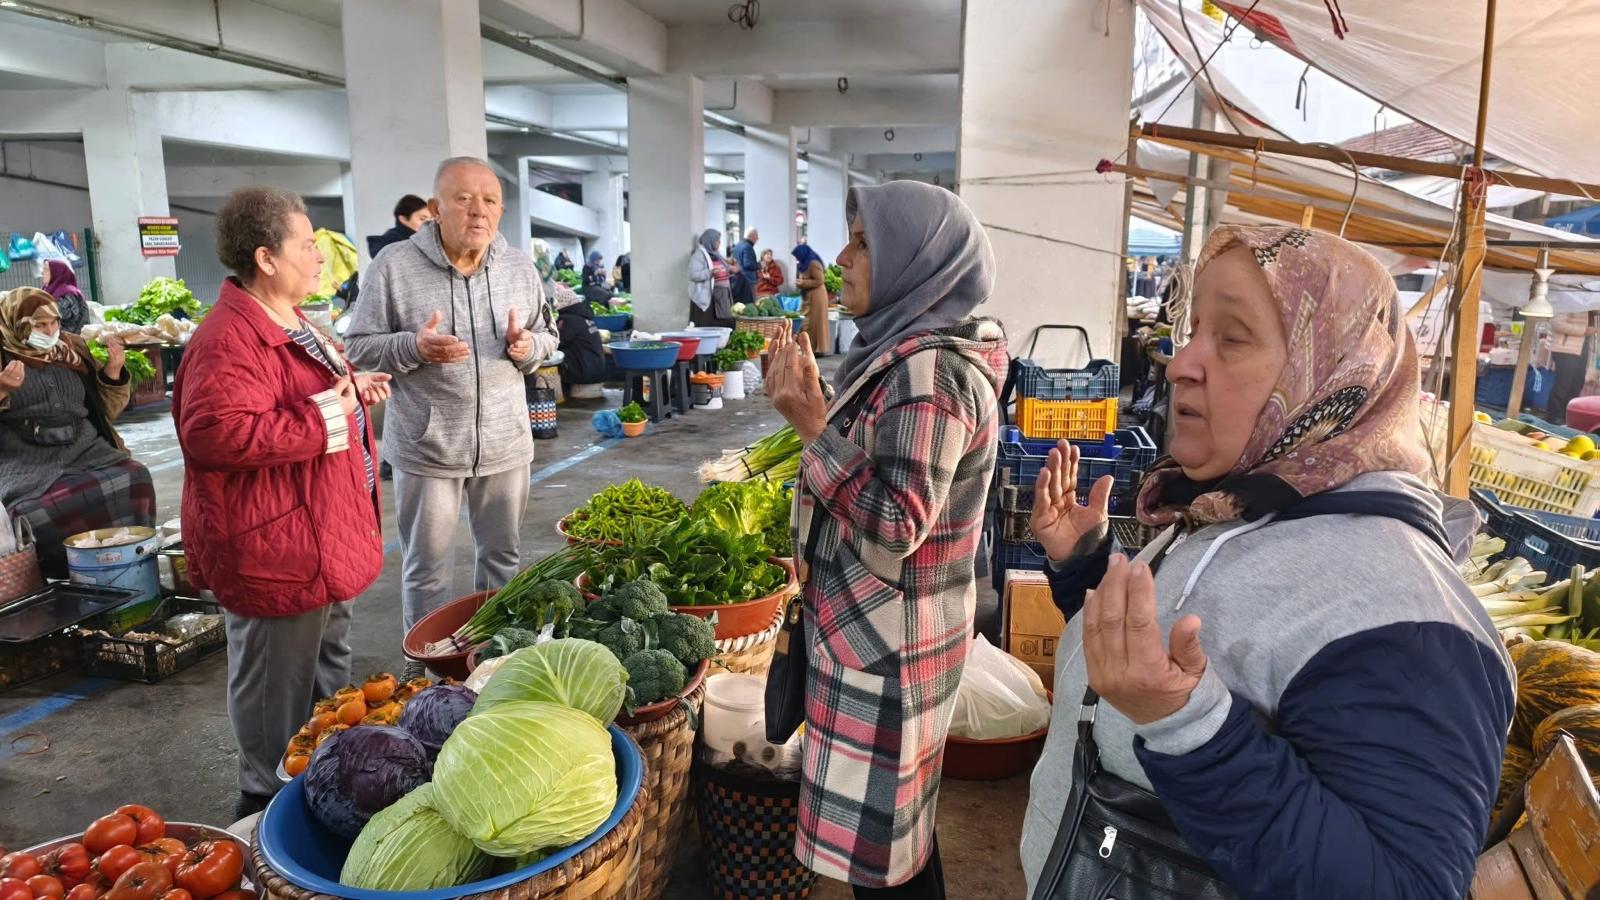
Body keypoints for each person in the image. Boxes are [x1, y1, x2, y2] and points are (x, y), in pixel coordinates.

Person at [1019, 226, 1514, 899]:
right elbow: (1178, 658)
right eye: (1191, 329)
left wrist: (1189, 727)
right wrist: (1087, 567)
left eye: (1232, 337)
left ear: (1332, 371)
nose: (1179, 363)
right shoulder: (1240, 504)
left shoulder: (1410, 624)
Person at [765, 181, 1007, 898]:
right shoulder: (904, 353)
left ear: (917, 263)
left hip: (889, 647)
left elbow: (898, 521)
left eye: (865, 243)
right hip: (880, 633)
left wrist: (811, 426)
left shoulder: (929, 377)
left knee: (885, 859)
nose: (842, 257)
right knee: (895, 839)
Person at [172, 186, 389, 819]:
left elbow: (309, 399)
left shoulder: (293, 318)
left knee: (327, 669)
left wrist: (350, 389)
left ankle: (320, 782)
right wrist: (325, 417)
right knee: (275, 684)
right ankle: (265, 801)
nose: (319, 257)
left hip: (322, 531)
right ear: (266, 258)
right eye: (305, 245)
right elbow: (215, 433)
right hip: (277, 543)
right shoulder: (226, 341)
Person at [345, 157, 558, 673]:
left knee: (503, 560)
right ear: (436, 210)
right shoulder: (393, 267)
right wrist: (413, 346)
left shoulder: (519, 267)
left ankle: (497, 665)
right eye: (463, 199)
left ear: (501, 210)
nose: (477, 211)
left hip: (507, 443)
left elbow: (548, 339)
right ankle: (428, 672)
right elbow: (358, 347)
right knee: (427, 571)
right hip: (428, 445)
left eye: (489, 200)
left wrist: (528, 346)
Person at [0, 288, 149, 578]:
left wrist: (113, 372)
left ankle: (131, 565)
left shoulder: (72, 349)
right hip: (26, 459)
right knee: (34, 511)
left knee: (134, 476)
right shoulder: (2, 355)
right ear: (16, 322)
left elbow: (105, 408)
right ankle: (68, 576)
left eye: (54, 322)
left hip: (85, 447)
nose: (50, 330)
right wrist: (3, 389)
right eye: (39, 324)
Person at [553, 281, 608, 391]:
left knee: (555, 354)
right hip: (598, 371)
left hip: (585, 374)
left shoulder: (569, 320)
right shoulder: (584, 317)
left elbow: (558, 343)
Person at [1546, 311, 1591, 424]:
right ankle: (1553, 416)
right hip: (1565, 348)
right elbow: (1557, 323)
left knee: (1577, 383)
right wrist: (1584, 330)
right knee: (1563, 384)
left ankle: (1566, 416)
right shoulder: (1571, 300)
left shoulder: (1592, 304)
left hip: (1582, 347)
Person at [688, 229, 735, 329]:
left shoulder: (716, 254)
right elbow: (693, 275)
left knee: (725, 322)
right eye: (717, 241)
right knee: (711, 324)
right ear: (710, 240)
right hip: (711, 297)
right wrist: (710, 273)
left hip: (722, 296)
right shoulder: (699, 255)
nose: (719, 243)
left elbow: (724, 268)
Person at [793, 242, 831, 357]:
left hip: (817, 296)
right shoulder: (804, 263)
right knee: (808, 322)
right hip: (809, 295)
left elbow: (819, 280)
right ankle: (809, 348)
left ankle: (815, 349)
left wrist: (803, 283)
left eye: (797, 256)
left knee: (814, 323)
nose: (797, 259)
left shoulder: (813, 263)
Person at [366, 194, 432, 259]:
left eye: (431, 218)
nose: (428, 223)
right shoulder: (389, 245)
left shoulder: (423, 240)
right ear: (403, 219)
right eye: (422, 219)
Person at [41, 260, 87, 334]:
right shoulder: (48, 289)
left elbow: (56, 313)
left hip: (69, 337)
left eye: (46, 270)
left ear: (56, 272)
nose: (42, 273)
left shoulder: (68, 292)